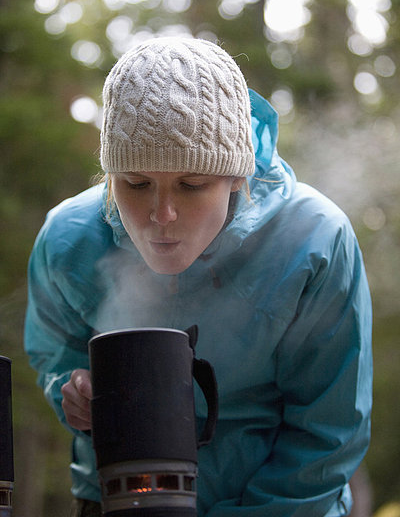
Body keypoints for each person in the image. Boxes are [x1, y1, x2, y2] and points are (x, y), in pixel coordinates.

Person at [25, 37, 372, 517]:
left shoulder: (313, 240)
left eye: (191, 185)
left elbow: (328, 430)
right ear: (108, 176)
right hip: (119, 499)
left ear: (237, 176)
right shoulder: (69, 239)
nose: (161, 213)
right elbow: (54, 352)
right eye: (136, 183)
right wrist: (73, 388)